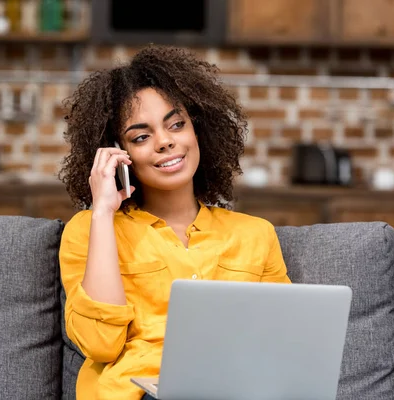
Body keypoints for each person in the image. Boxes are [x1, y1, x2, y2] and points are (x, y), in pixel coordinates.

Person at [58, 44, 291, 400]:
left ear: (198, 130)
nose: (165, 142)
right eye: (141, 136)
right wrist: (103, 211)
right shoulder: (91, 229)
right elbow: (101, 345)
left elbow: (283, 346)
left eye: (176, 125)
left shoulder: (255, 235)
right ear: (119, 154)